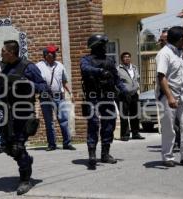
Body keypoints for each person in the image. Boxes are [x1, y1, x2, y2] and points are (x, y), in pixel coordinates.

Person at [0, 40, 50, 195]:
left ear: (11, 52)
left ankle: (25, 180)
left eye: (3, 51)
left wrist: (27, 83)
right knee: (7, 146)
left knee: (18, 146)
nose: (1, 53)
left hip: (24, 113)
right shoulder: (4, 69)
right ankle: (26, 160)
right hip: (8, 114)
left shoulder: (28, 67)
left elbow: (43, 87)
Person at [80, 34, 128, 169]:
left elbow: (117, 78)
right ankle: (92, 154)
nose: (105, 48)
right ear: (96, 46)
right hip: (93, 97)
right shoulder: (86, 60)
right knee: (93, 124)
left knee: (109, 125)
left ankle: (105, 154)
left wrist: (124, 91)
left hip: (107, 97)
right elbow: (85, 69)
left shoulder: (109, 61)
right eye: (103, 46)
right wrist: (100, 71)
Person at [156, 26, 183, 167]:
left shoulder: (179, 52)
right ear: (180, 39)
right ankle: (167, 157)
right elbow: (161, 77)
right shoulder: (165, 53)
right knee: (169, 127)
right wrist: (170, 97)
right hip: (169, 94)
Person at [36, 44, 76, 151]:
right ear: (45, 55)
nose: (54, 55)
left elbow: (64, 81)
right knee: (49, 122)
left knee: (63, 120)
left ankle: (67, 143)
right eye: (52, 53)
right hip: (45, 97)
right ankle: (52, 144)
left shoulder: (60, 65)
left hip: (59, 96)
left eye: (55, 53)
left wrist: (70, 93)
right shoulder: (38, 66)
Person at [117, 52, 145, 141]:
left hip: (134, 94)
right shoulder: (118, 69)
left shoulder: (135, 68)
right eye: (125, 57)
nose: (127, 58)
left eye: (128, 57)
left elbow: (137, 79)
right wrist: (121, 91)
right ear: (122, 59)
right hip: (124, 95)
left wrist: (137, 86)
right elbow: (116, 82)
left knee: (135, 114)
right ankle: (125, 135)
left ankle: (135, 133)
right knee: (124, 115)